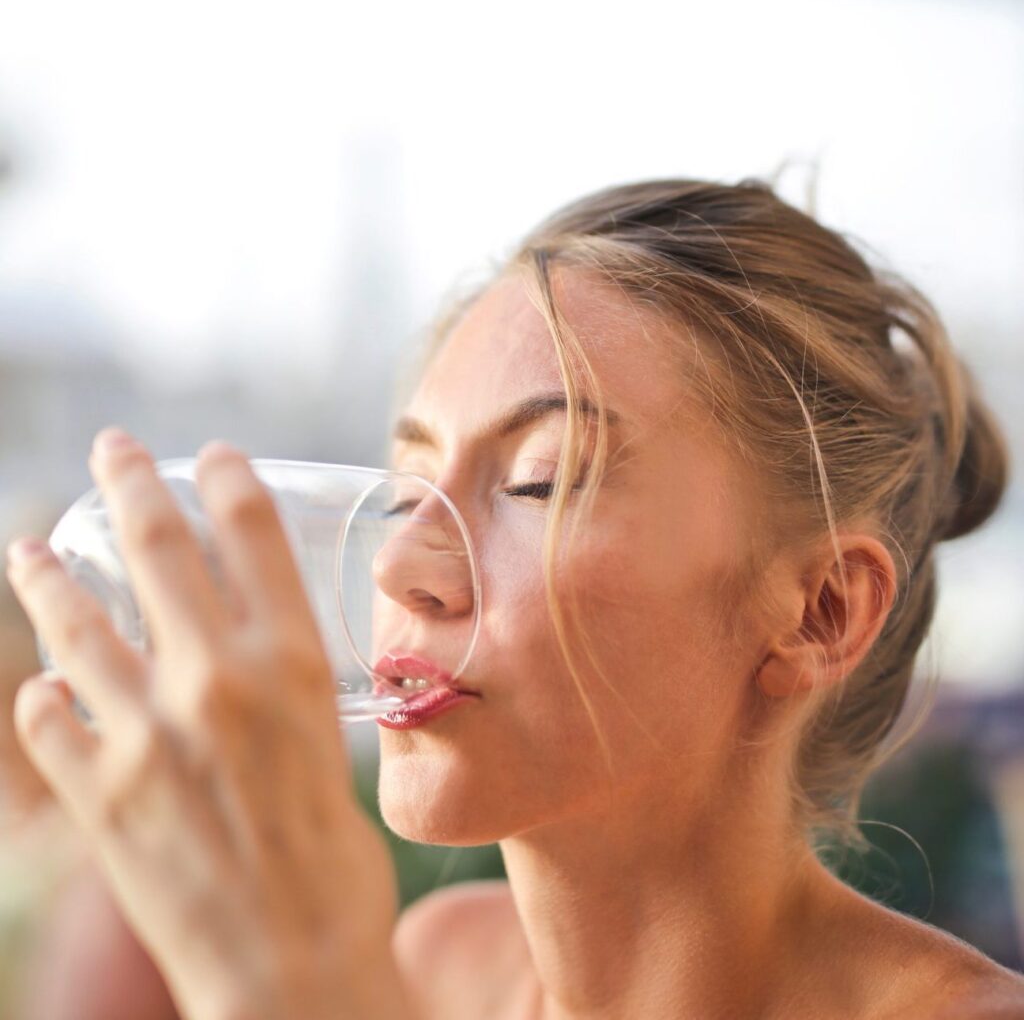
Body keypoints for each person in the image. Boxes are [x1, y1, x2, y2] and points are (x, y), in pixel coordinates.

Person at [5, 178, 1024, 1019]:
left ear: (820, 612)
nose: (401, 561)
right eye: (409, 492)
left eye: (539, 477)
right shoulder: (442, 967)